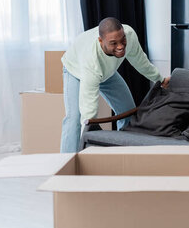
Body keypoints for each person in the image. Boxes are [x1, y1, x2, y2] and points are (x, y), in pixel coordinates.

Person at [60, 17, 169, 153]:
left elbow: (141, 62)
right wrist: (88, 131)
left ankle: (120, 154)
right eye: (113, 43)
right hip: (75, 69)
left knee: (127, 112)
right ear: (101, 41)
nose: (120, 46)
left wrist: (160, 79)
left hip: (107, 72)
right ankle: (65, 162)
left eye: (122, 40)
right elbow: (89, 108)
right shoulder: (91, 61)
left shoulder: (129, 34)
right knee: (74, 120)